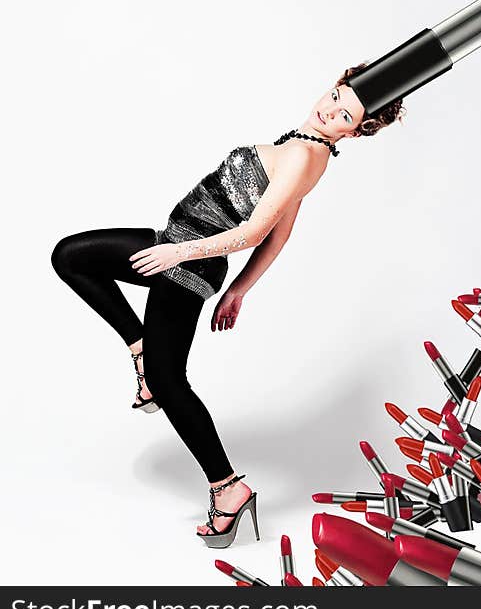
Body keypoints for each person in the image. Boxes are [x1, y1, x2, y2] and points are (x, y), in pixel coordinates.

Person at [50, 64, 404, 547]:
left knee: (169, 383)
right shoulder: (307, 147)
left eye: (345, 114)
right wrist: (239, 289)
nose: (330, 109)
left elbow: (255, 233)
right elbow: (282, 234)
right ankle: (141, 351)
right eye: (336, 95)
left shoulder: (305, 155)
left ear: (356, 131)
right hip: (176, 245)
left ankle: (228, 489)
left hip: (184, 258)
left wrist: (179, 254)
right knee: (72, 258)